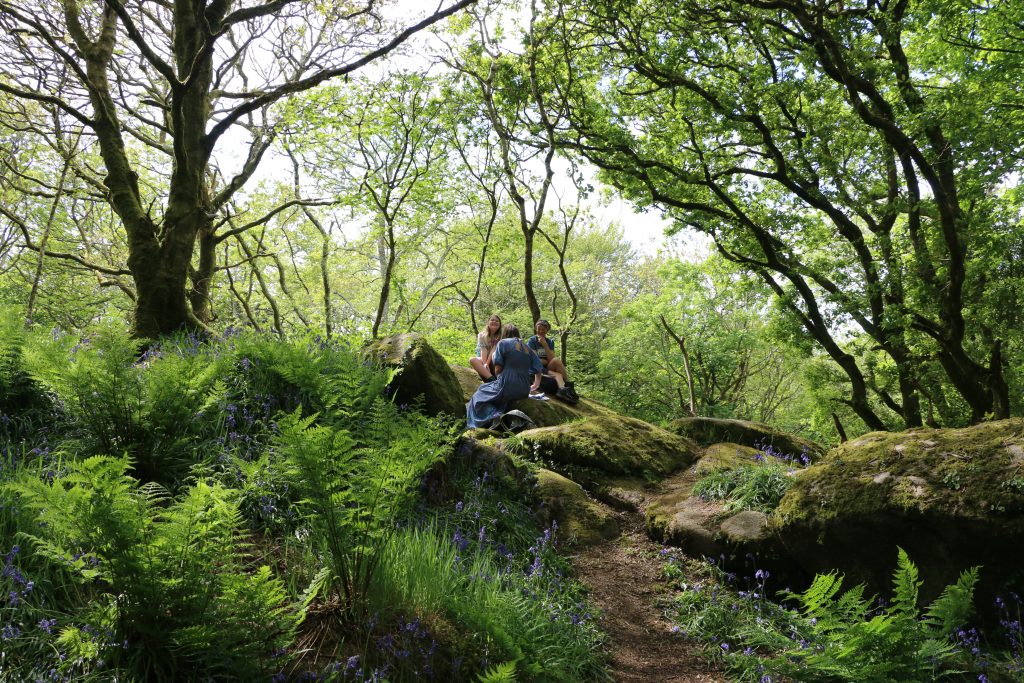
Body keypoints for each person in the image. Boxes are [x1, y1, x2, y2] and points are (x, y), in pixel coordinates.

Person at [466, 323, 543, 428]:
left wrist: (499, 375)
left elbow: (498, 369)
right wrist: (535, 384)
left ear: (504, 333)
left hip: (507, 384)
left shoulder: (503, 343)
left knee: (479, 394)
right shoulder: (527, 348)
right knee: (501, 400)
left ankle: (496, 416)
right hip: (524, 390)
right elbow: (539, 367)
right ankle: (512, 418)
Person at [526, 319, 578, 403]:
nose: (540, 331)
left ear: (547, 330)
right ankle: (563, 390)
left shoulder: (550, 342)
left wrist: (545, 345)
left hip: (547, 368)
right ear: (536, 329)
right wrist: (545, 361)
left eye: (543, 329)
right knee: (558, 375)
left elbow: (551, 359)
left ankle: (568, 387)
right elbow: (534, 360)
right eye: (538, 328)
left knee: (556, 360)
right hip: (537, 369)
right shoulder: (532, 341)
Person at [469, 314, 502, 382]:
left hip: (495, 359)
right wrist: (485, 364)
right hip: (483, 358)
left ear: (500, 324)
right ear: (488, 322)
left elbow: (494, 350)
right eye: (492, 320)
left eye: (497, 321)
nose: (494, 322)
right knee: (472, 359)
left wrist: (487, 362)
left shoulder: (501, 335)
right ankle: (491, 380)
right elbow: (483, 350)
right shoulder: (481, 335)